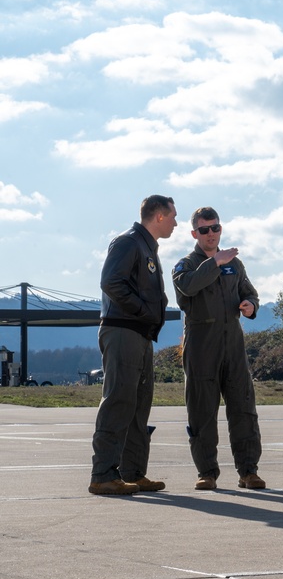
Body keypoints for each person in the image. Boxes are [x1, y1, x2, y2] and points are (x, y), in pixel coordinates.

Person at [90, 195, 177, 495]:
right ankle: (103, 474)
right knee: (119, 401)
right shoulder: (128, 243)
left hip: (140, 334)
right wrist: (143, 310)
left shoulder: (147, 247)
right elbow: (111, 282)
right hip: (123, 330)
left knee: (139, 404)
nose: (177, 223)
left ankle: (133, 472)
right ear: (159, 216)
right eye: (173, 216)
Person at [172, 207, 265, 490]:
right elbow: (187, 288)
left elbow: (249, 292)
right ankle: (207, 472)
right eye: (204, 230)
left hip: (233, 343)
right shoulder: (185, 265)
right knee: (202, 411)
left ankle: (248, 471)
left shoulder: (234, 264)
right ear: (194, 234)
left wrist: (251, 306)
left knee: (243, 408)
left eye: (215, 228)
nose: (211, 234)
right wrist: (213, 264)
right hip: (202, 343)